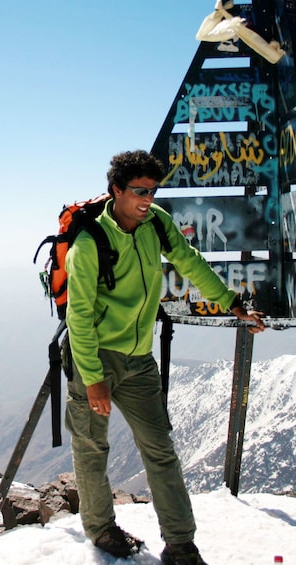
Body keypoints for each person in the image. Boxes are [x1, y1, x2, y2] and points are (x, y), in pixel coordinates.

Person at [63, 150, 265, 565]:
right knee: (91, 448)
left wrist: (233, 304)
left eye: (152, 191)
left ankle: (181, 545)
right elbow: (78, 317)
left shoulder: (157, 224)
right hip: (94, 359)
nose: (147, 200)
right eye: (138, 191)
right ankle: (101, 530)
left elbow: (189, 262)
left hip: (139, 360)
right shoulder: (89, 244)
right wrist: (93, 378)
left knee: (160, 449)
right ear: (116, 190)